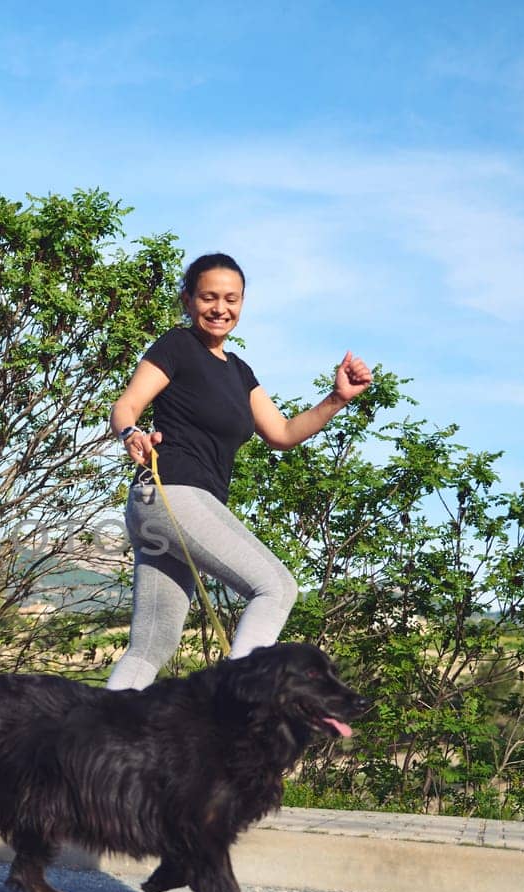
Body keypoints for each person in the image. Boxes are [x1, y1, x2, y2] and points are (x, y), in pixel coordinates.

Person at [105, 252, 372, 690]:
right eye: (209, 297)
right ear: (188, 300)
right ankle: (235, 703)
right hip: (173, 492)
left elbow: (282, 433)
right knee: (277, 587)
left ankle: (93, 740)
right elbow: (127, 405)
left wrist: (337, 399)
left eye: (231, 299)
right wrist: (130, 432)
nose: (220, 308)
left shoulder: (240, 372)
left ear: (243, 303)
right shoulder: (177, 346)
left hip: (167, 507)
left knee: (151, 644)